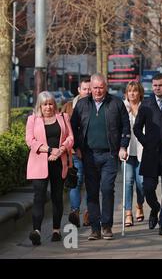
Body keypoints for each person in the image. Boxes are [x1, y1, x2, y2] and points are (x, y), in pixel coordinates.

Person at [71, 73, 130, 240]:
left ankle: (106, 226)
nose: (97, 91)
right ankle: (95, 229)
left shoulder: (116, 103)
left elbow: (126, 126)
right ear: (90, 87)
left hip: (110, 155)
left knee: (107, 189)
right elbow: (72, 127)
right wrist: (76, 147)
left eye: (100, 87)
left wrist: (123, 147)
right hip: (88, 155)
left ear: (106, 86)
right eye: (94, 88)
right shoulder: (82, 104)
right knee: (92, 192)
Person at [25, 91, 74, 245]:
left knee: (57, 197)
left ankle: (56, 230)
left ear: (55, 104)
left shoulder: (63, 118)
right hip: (39, 164)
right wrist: (49, 150)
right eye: (45, 104)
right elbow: (30, 141)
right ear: (40, 105)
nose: (48, 107)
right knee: (38, 198)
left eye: (51, 103)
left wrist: (60, 150)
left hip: (59, 163)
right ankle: (37, 231)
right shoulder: (32, 120)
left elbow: (70, 138)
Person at [134, 74, 162, 235]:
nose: (157, 88)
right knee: (148, 188)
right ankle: (155, 208)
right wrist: (146, 142)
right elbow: (137, 128)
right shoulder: (146, 104)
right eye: (154, 85)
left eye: (160, 85)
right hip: (150, 154)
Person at [61, 79, 91, 228]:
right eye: (85, 89)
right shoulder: (68, 107)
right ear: (79, 89)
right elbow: (63, 130)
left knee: (92, 183)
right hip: (74, 152)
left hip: (92, 152)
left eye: (90, 89)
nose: (88, 91)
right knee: (76, 182)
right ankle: (74, 212)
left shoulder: (96, 105)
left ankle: (88, 213)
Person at [123, 81, 145, 227]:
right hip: (127, 150)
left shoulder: (145, 108)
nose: (132, 93)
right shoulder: (122, 107)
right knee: (128, 181)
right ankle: (128, 212)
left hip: (142, 151)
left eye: (135, 91)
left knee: (141, 183)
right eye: (129, 91)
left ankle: (139, 205)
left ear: (139, 93)